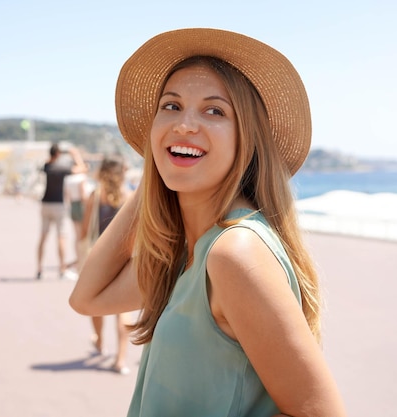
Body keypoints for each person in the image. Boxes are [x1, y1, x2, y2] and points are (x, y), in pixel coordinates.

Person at [69, 28, 347, 416]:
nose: (184, 124)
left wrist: (170, 159)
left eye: (215, 111)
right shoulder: (188, 250)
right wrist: (159, 169)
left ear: (247, 141)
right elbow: (87, 298)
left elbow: (320, 412)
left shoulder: (234, 253)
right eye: (170, 106)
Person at [80, 155, 132, 374]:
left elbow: (85, 230)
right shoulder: (130, 196)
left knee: (96, 303)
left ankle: (100, 342)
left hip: (100, 259)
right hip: (125, 257)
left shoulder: (96, 194)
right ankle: (120, 359)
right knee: (124, 311)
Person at [36, 142, 87, 280]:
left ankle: (39, 269)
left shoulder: (47, 166)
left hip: (45, 204)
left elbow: (47, 162)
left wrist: (56, 154)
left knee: (43, 237)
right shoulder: (62, 167)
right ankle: (62, 269)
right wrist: (75, 154)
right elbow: (82, 169)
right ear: (58, 154)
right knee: (61, 237)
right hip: (58, 205)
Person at [64, 171, 88, 269]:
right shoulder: (81, 178)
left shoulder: (68, 179)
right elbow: (83, 196)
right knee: (83, 235)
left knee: (77, 235)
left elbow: (67, 197)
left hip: (73, 206)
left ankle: (78, 259)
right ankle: (82, 260)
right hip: (80, 206)